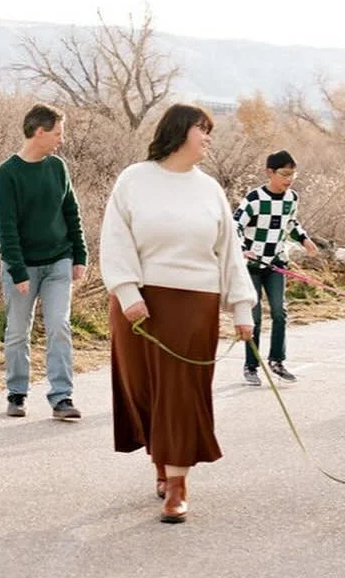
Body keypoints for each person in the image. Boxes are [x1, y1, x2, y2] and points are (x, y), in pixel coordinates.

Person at [100, 102, 255, 522]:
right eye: (203, 130)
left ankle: (178, 484)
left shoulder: (209, 189)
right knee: (145, 390)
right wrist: (128, 291)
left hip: (195, 303)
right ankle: (162, 463)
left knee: (181, 393)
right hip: (140, 303)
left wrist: (242, 308)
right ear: (181, 131)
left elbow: (229, 254)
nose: (208, 139)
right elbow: (115, 239)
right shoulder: (134, 180)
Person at [0, 103, 88, 421]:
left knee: (59, 326)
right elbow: (5, 227)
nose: (61, 140)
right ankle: (17, 393)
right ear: (39, 132)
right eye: (58, 133)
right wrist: (18, 270)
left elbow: (71, 212)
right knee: (18, 331)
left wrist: (80, 255)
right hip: (21, 265)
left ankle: (62, 397)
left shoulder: (57, 167)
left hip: (58, 261)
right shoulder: (9, 173)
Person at [234, 149, 319, 386]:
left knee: (280, 312)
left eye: (292, 174)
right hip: (252, 264)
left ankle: (277, 361)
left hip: (276, 263)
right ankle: (251, 366)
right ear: (269, 172)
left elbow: (291, 223)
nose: (288, 179)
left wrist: (304, 239)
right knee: (256, 317)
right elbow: (235, 225)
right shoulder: (254, 198)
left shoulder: (292, 198)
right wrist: (242, 248)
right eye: (283, 174)